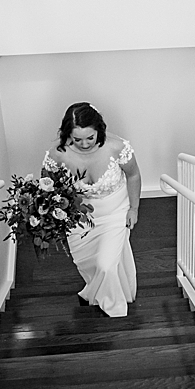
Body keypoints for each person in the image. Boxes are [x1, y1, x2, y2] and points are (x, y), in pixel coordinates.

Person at [43, 102, 140, 317]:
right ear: (67, 134)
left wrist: (134, 208)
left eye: (90, 138)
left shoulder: (117, 147)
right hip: (80, 217)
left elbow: (133, 175)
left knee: (105, 265)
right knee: (87, 264)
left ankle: (115, 310)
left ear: (99, 131)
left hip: (115, 211)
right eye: (77, 139)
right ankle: (92, 292)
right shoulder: (58, 154)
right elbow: (46, 185)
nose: (84, 144)